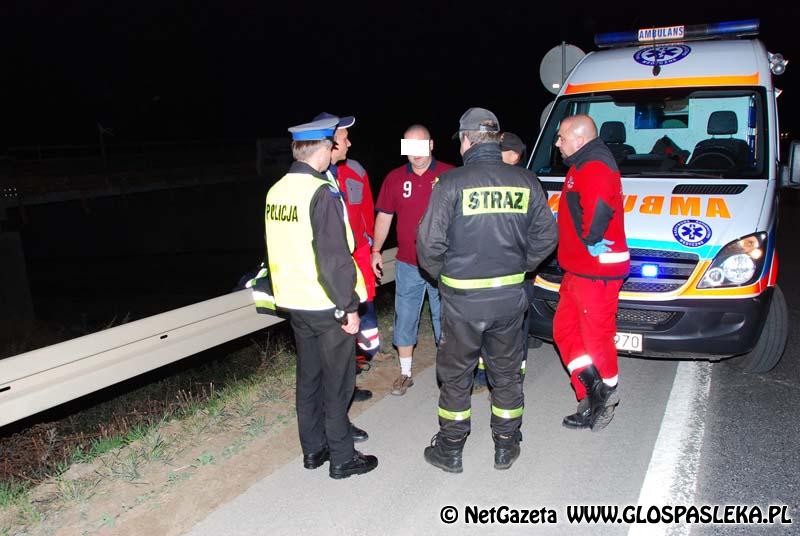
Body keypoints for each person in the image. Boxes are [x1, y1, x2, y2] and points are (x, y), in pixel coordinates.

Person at [417, 108, 557, 472]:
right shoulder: (526, 181)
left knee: (456, 375)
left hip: (462, 302)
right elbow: (547, 236)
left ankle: (450, 449)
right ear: (496, 139)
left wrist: (446, 277)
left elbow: (428, 246)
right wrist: (522, 266)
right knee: (506, 374)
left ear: (467, 140)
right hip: (510, 299)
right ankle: (506, 446)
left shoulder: (450, 184)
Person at [264, 115, 377, 479]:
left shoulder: (276, 190)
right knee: (338, 382)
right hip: (326, 303)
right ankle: (342, 457)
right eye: (333, 146)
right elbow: (333, 257)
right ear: (323, 149)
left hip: (294, 302)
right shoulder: (321, 193)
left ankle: (313, 449)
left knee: (308, 378)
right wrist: (348, 307)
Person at [552, 114, 630, 432]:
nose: (557, 142)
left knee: (596, 337)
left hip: (596, 271)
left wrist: (590, 239)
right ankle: (590, 388)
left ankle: (605, 393)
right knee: (564, 330)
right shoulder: (580, 164)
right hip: (579, 269)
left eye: (562, 137)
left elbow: (598, 211)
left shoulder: (595, 165)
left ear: (580, 139)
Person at [371, 124, 454, 396]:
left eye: (420, 145)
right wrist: (376, 250)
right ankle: (405, 373)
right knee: (405, 317)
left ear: (431, 145)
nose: (416, 153)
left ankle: (449, 375)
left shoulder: (450, 175)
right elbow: (384, 216)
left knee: (445, 318)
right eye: (409, 146)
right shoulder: (394, 178)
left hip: (443, 263)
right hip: (408, 263)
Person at [314, 112, 382, 403]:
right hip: (332, 266)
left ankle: (351, 379)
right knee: (335, 328)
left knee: (358, 322)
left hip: (357, 261)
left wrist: (372, 250)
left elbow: (367, 213)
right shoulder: (314, 178)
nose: (350, 143)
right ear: (329, 143)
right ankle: (338, 393)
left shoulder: (356, 171)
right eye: (344, 138)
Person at [473, 130, 534, 393]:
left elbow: (541, 231)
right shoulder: (488, 180)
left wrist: (527, 263)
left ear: (514, 155)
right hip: (487, 270)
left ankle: (513, 375)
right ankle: (483, 371)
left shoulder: (527, 183)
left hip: (517, 273)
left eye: (500, 152)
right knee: (486, 323)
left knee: (515, 328)